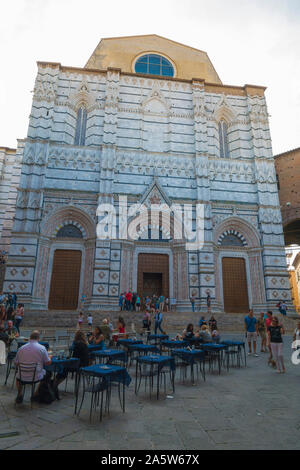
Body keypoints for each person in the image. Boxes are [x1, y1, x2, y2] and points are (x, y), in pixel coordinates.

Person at [14, 330, 51, 404]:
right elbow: (47, 363)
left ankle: (20, 394)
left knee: (18, 377)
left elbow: (16, 363)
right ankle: (35, 394)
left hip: (22, 376)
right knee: (48, 374)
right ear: (38, 338)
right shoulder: (42, 348)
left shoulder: (21, 348)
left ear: (29, 338)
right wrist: (50, 357)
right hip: (35, 376)